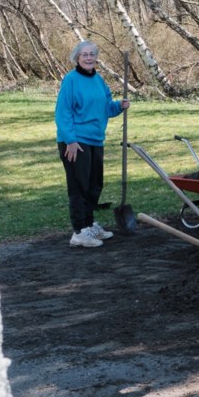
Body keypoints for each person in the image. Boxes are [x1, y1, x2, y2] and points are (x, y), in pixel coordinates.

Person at [55, 40, 130, 248]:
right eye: (84, 54)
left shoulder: (98, 79)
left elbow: (105, 107)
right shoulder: (70, 80)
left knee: (94, 185)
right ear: (77, 57)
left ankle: (89, 225)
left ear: (96, 58)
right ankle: (79, 231)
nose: (88, 58)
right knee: (79, 186)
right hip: (76, 141)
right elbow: (63, 112)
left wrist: (119, 106)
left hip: (96, 139)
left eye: (92, 54)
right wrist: (69, 140)